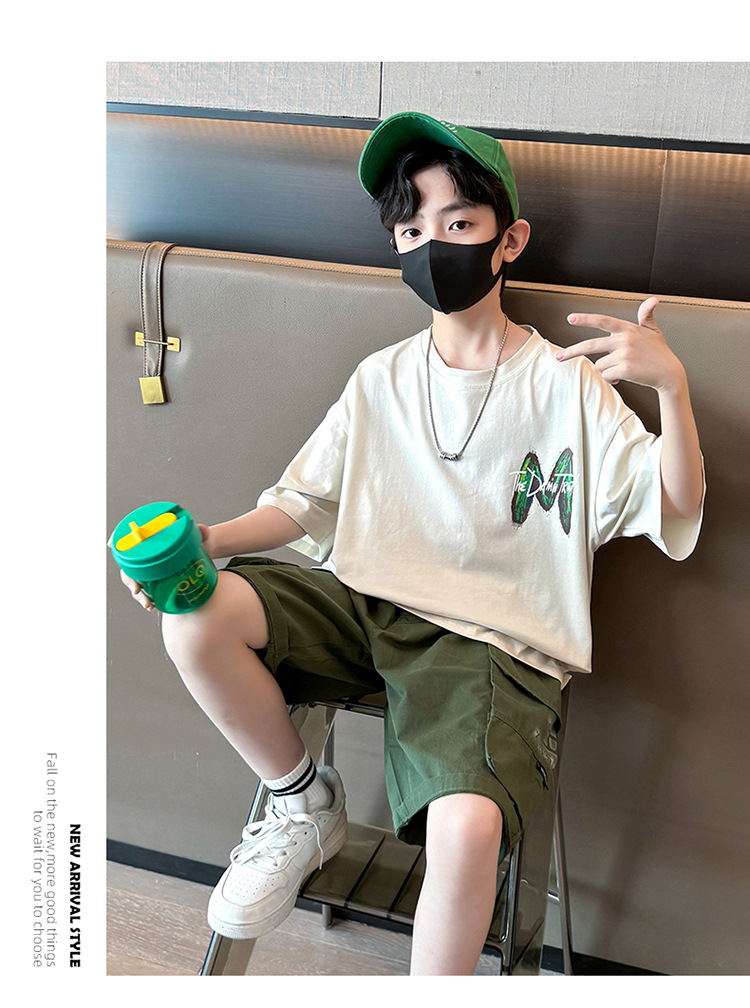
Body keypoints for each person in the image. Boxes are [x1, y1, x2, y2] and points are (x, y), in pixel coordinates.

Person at [119, 112, 704, 975]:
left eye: (458, 224)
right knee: (193, 617)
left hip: (489, 643)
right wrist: (209, 541)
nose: (433, 247)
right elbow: (301, 502)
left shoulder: (568, 385)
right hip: (363, 602)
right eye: (411, 230)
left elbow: (674, 501)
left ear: (509, 241)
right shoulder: (381, 377)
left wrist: (673, 391)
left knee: (468, 828)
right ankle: (302, 803)